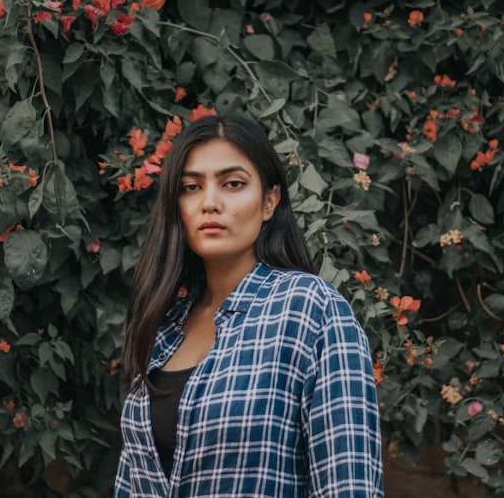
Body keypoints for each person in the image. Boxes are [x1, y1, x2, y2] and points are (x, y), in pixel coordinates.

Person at [115, 114, 383, 496]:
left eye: (233, 184)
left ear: (269, 201)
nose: (209, 203)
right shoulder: (161, 329)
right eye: (191, 187)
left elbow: (349, 486)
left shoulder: (311, 310)